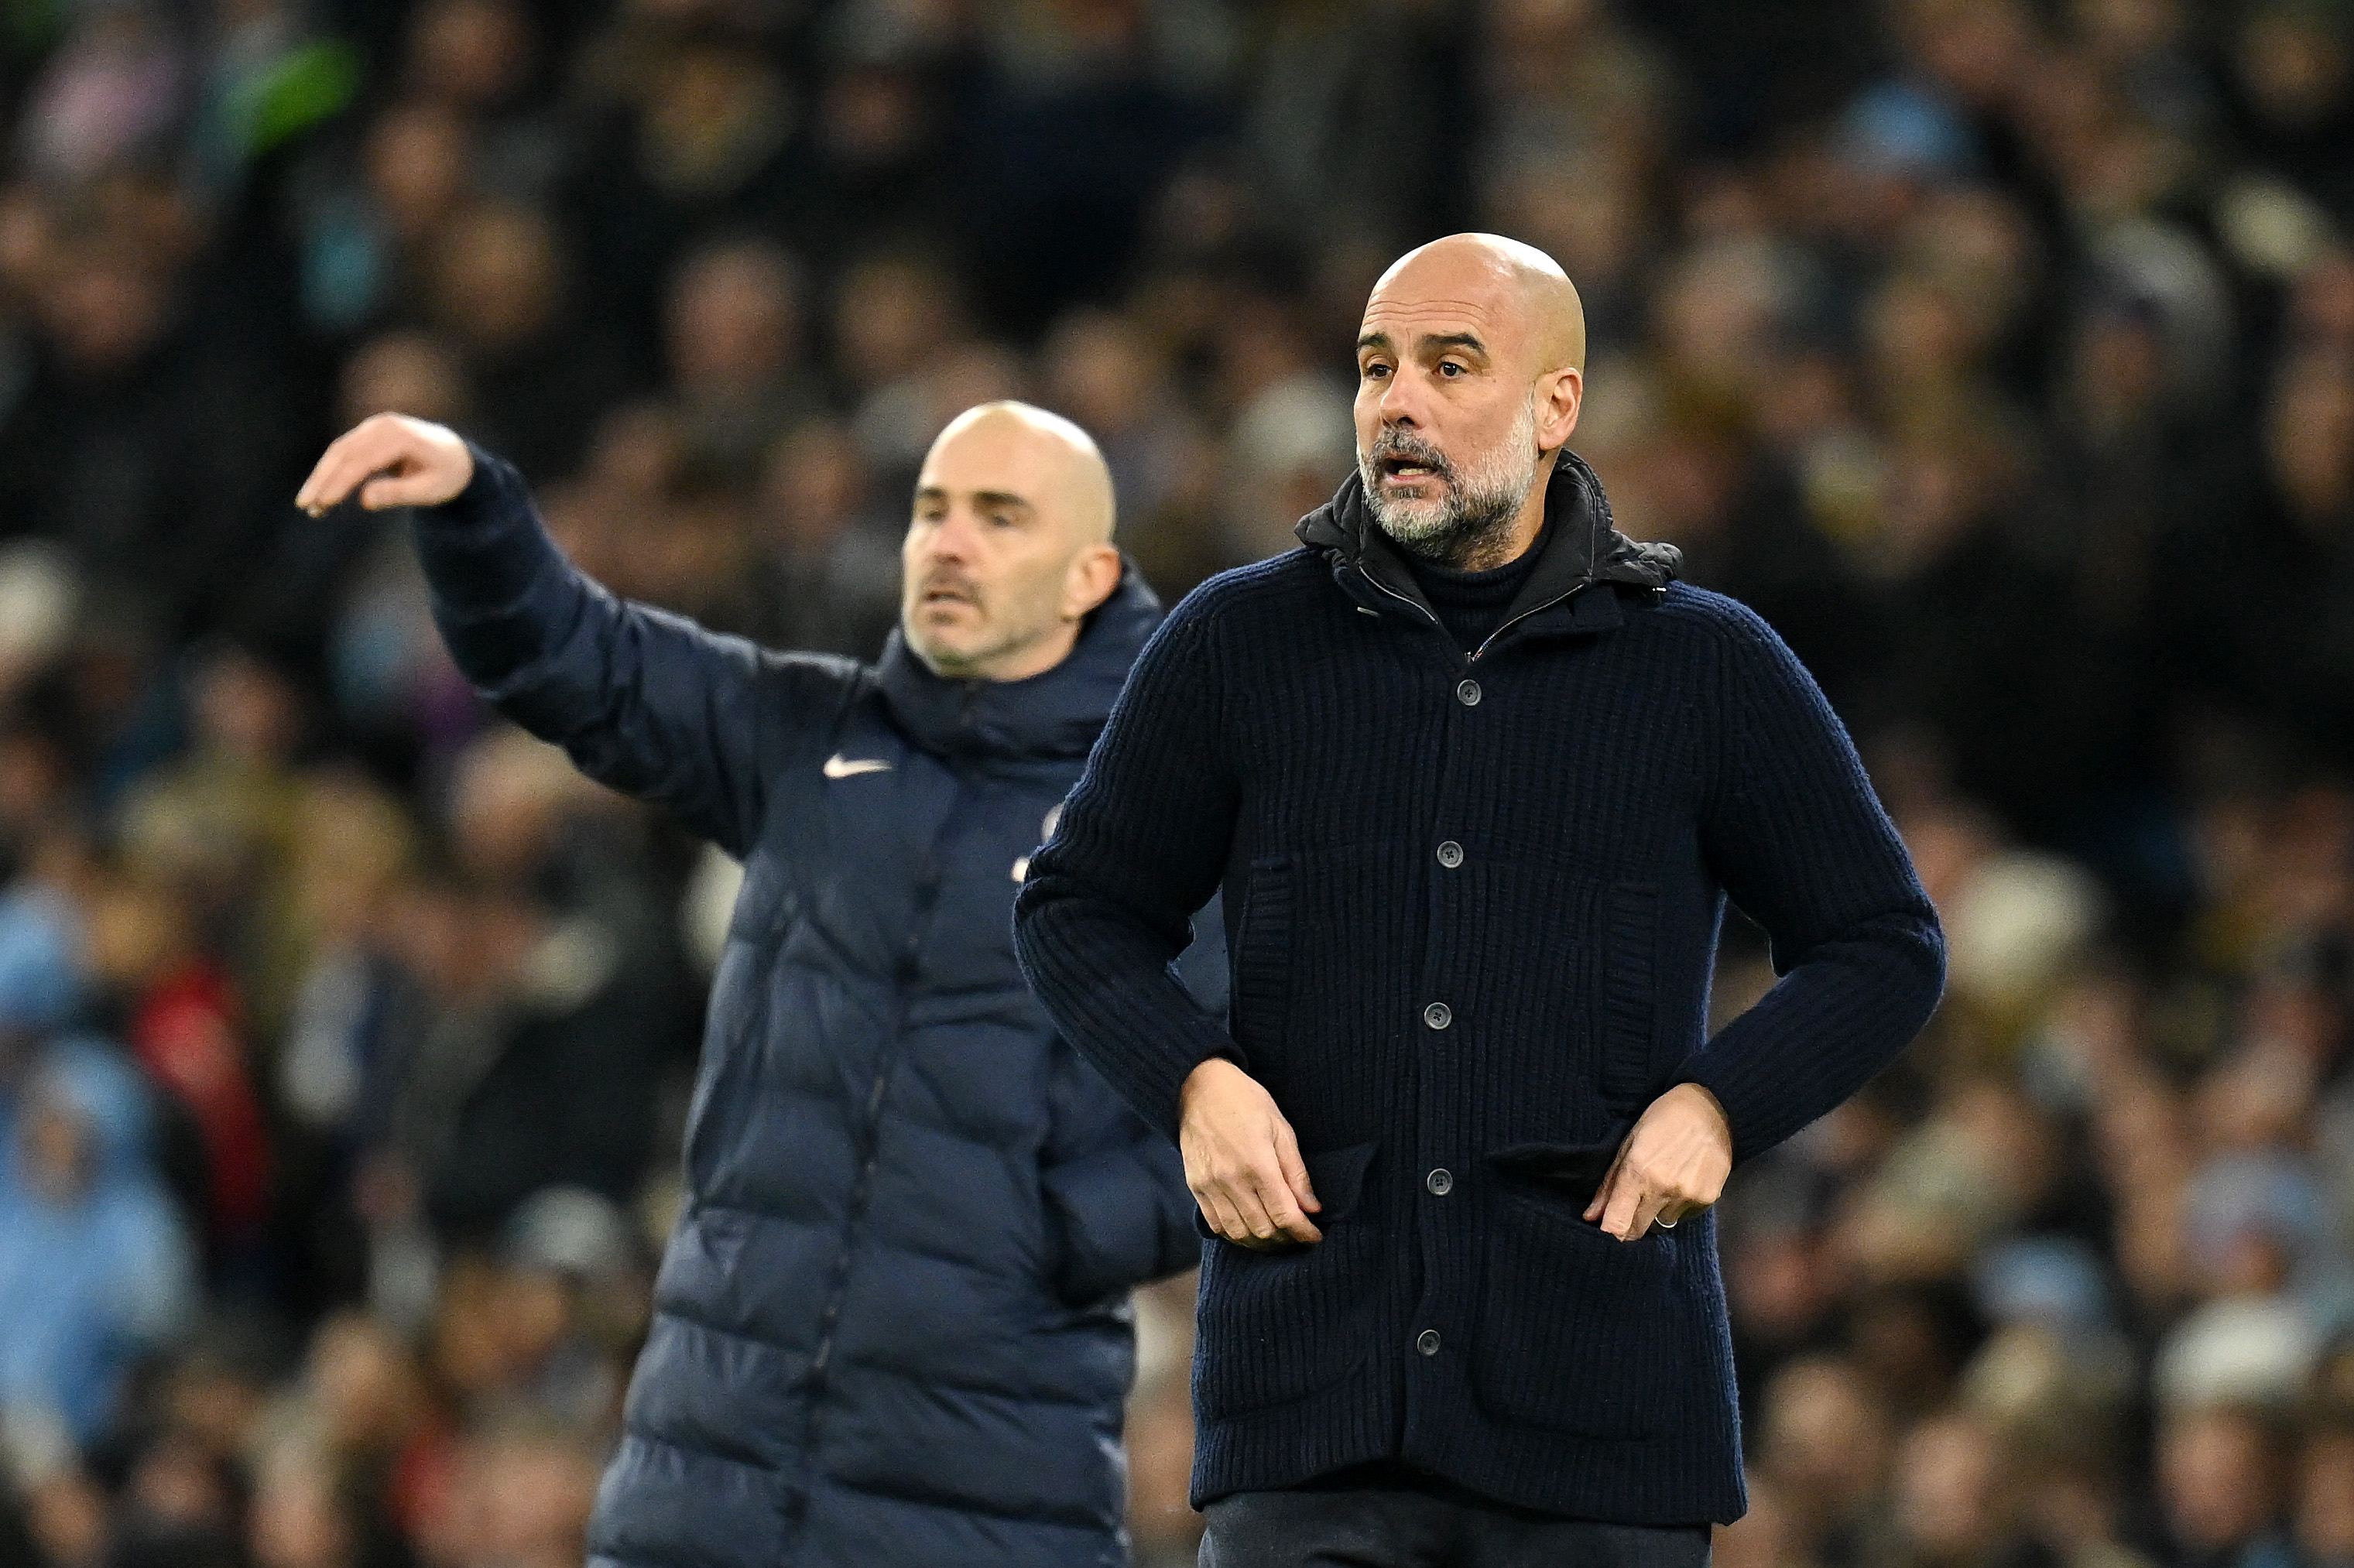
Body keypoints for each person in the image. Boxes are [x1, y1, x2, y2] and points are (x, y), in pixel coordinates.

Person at [1013, 234, 1946, 1565]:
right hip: (1310, 1428)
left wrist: (1718, 1105)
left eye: (1450, 366)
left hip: (1604, 1436)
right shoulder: (1235, 642)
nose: (1397, 401)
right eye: (1375, 366)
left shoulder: (1706, 666)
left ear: (1555, 405)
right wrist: (1192, 1082)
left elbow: (1882, 942)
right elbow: (1074, 906)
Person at [294, 401, 1206, 1566]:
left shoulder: (1163, 816)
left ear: (1090, 575)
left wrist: (1039, 1233)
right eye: (930, 511)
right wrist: (476, 510)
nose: (947, 543)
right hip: (711, 1466)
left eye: (998, 516)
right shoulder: (812, 739)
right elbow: (585, 662)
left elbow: (1263, 1107)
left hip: (982, 1484)